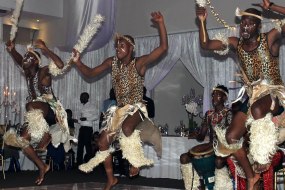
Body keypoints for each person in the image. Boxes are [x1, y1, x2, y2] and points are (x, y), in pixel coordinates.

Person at [72, 11, 168, 190]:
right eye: (116, 46)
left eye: (122, 46)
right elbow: (90, 73)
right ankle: (111, 179)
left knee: (127, 127)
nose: (118, 49)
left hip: (137, 108)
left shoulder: (139, 63)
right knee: (102, 143)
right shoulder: (112, 63)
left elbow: (162, 48)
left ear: (131, 48)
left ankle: (135, 162)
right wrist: (78, 62)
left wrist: (161, 24)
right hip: (120, 110)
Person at [196, 1, 285, 189]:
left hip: (274, 94)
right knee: (230, 138)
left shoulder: (269, 39)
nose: (245, 26)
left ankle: (262, 155)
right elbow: (205, 44)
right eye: (243, 22)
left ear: (258, 26)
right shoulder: (236, 44)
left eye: (250, 23)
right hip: (254, 97)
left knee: (257, 108)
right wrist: (202, 21)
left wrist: (273, 7)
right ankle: (251, 177)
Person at [4, 39, 70, 185]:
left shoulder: (44, 71)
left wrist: (46, 49)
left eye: (29, 57)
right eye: (25, 57)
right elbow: (19, 60)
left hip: (51, 112)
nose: (25, 59)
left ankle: (46, 134)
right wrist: (12, 50)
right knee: (22, 141)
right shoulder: (28, 74)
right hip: (37, 115)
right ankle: (42, 166)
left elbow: (60, 65)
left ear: (36, 61)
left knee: (30, 105)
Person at [180, 85, 233, 190]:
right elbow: (201, 136)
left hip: (225, 148)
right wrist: (196, 134)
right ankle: (194, 186)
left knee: (218, 161)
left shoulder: (229, 113)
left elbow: (231, 137)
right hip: (211, 146)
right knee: (184, 157)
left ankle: (221, 186)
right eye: (213, 95)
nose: (214, 97)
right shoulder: (208, 114)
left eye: (217, 95)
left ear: (224, 98)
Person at [76, 92, 98, 166]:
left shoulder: (92, 106)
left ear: (86, 97)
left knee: (88, 146)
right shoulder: (82, 106)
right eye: (80, 97)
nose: (80, 99)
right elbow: (82, 120)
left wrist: (86, 118)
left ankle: (90, 164)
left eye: (82, 97)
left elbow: (96, 116)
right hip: (82, 128)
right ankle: (79, 163)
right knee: (80, 146)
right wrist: (77, 121)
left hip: (88, 129)